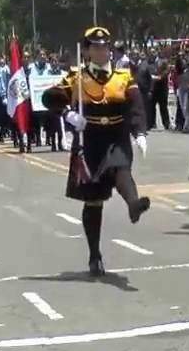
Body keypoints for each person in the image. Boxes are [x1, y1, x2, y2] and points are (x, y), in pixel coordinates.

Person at [42, 27, 152, 276]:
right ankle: (94, 255)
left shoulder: (123, 77)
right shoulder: (76, 78)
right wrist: (69, 114)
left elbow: (136, 107)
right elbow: (50, 99)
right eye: (96, 47)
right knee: (94, 200)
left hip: (116, 136)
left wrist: (140, 133)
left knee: (121, 168)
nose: (102, 51)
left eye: (105, 46)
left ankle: (134, 204)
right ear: (88, 51)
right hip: (90, 140)